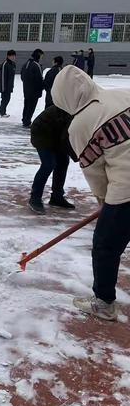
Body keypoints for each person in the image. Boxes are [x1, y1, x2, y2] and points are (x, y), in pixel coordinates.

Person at [52, 65, 130, 321]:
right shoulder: (122, 94)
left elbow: (96, 174)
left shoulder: (81, 125)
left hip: (126, 188)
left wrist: (105, 204)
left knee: (105, 245)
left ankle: (104, 304)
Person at [28, 105, 74, 215]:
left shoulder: (78, 110)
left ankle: (57, 197)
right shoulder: (71, 109)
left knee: (63, 162)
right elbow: (66, 138)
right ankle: (35, 198)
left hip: (55, 135)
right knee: (49, 164)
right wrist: (77, 157)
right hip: (41, 134)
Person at [21, 49, 44, 128]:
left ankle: (24, 120)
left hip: (26, 89)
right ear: (38, 55)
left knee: (26, 105)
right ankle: (27, 121)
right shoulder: (36, 65)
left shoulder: (26, 64)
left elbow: (22, 76)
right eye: (41, 56)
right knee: (31, 107)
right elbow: (39, 79)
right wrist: (41, 87)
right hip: (34, 91)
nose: (42, 58)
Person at [0, 50, 16, 118]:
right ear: (8, 56)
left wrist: (11, 86)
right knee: (5, 99)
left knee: (6, 99)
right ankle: (2, 112)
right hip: (4, 86)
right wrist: (3, 87)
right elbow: (2, 77)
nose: (13, 57)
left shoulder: (13, 64)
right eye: (12, 56)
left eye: (14, 56)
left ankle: (0, 111)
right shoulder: (5, 64)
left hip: (9, 86)